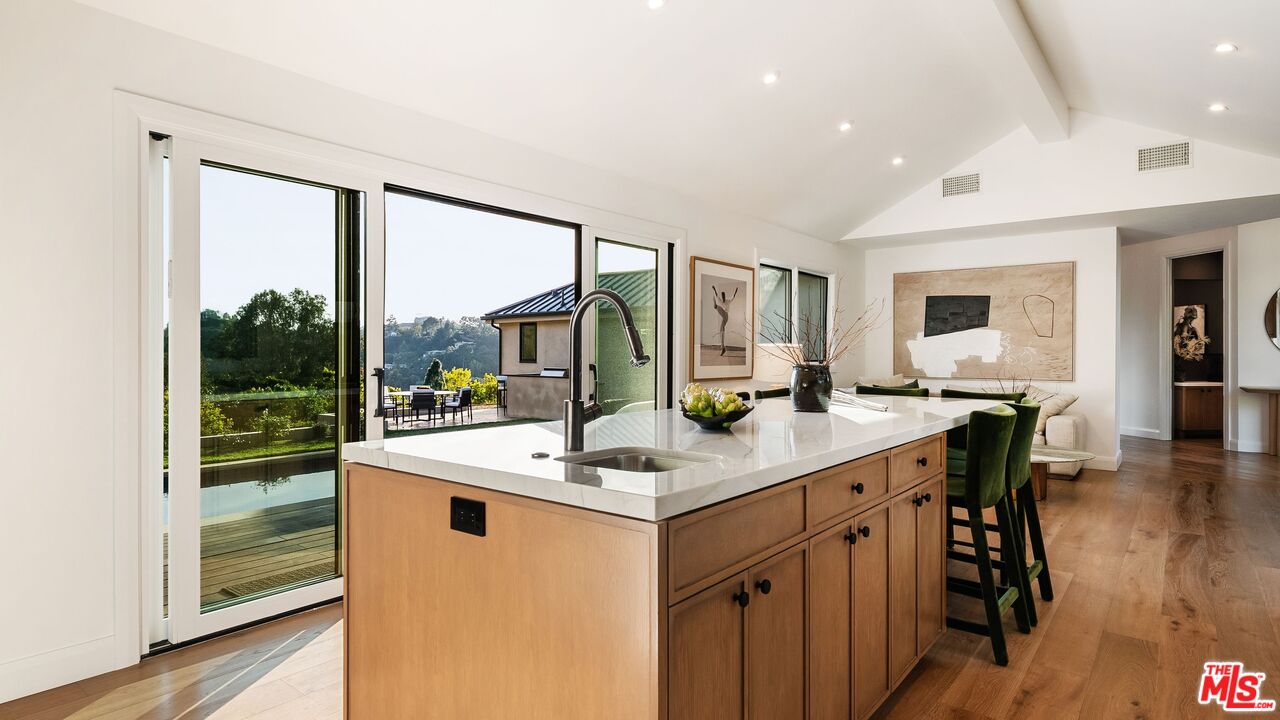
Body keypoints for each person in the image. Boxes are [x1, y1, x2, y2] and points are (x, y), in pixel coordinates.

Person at [710, 284, 739, 356]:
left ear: (725, 297)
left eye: (723, 297)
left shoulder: (727, 301)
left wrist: (736, 291)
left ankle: (714, 304)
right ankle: (723, 347)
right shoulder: (720, 300)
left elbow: (733, 297)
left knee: (716, 306)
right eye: (722, 296)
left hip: (726, 316)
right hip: (724, 317)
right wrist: (714, 289)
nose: (722, 298)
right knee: (721, 330)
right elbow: (717, 295)